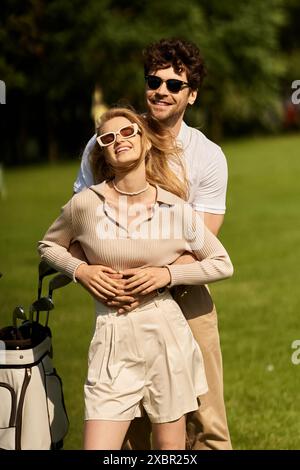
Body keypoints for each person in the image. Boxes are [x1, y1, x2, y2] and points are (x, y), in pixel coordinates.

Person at [38, 107, 233, 450]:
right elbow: (48, 246)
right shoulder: (84, 205)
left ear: (145, 142)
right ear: (103, 152)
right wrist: (80, 271)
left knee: (168, 452)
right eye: (108, 138)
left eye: (128, 132)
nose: (119, 140)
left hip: (166, 333)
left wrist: (167, 274)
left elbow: (222, 263)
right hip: (111, 335)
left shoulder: (175, 209)